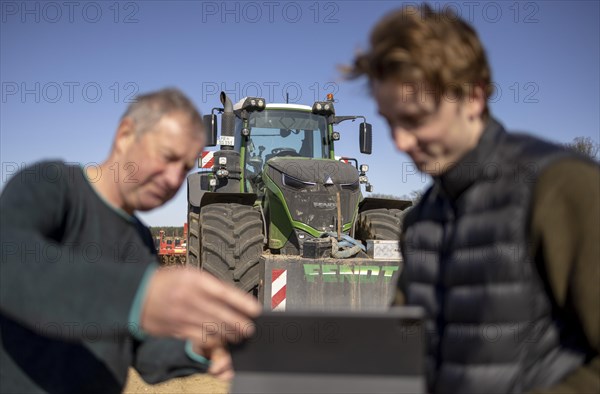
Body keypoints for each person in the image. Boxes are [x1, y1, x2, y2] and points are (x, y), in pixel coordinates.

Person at [347, 4, 599, 393]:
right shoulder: (421, 219)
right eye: (390, 121)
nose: (399, 142)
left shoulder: (560, 188)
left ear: (473, 97)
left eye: (415, 118)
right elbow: (403, 351)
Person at [0, 88, 261, 392]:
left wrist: (196, 348)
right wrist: (141, 294)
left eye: (185, 168)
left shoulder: (139, 239)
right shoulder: (52, 186)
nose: (174, 179)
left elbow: (142, 352)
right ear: (125, 135)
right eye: (167, 157)